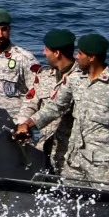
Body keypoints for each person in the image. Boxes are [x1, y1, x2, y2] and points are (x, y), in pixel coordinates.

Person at [12, 32, 109, 184]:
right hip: (74, 159)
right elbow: (54, 107)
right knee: (69, 196)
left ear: (92, 57)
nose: (76, 56)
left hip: (101, 161)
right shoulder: (75, 80)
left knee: (107, 197)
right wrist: (27, 124)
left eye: (80, 53)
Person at [22, 29, 78, 174]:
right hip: (44, 149)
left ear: (57, 53)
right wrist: (22, 125)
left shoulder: (81, 78)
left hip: (71, 152)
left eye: (47, 49)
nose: (44, 53)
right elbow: (30, 103)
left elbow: (56, 109)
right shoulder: (43, 75)